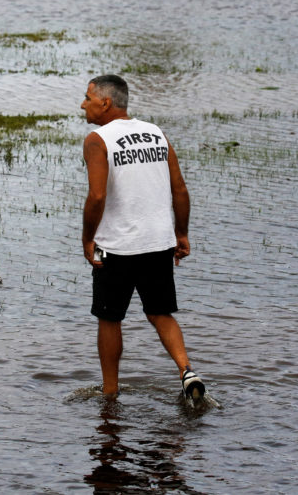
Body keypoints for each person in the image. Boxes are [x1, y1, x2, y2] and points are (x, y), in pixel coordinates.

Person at [80, 74, 206, 400]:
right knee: (160, 313)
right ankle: (186, 371)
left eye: (87, 98)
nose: (83, 104)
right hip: (158, 241)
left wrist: (87, 239)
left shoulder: (98, 139)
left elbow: (96, 197)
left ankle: (109, 394)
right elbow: (179, 188)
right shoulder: (156, 133)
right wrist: (181, 232)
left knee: (109, 318)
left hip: (117, 246)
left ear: (105, 102)